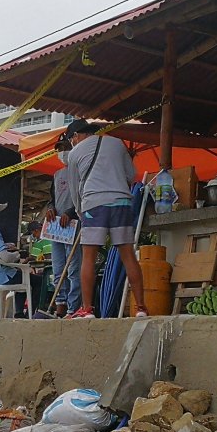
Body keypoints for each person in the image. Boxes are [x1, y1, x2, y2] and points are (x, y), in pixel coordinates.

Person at [63, 119, 147, 319]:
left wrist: (80, 211)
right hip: (121, 202)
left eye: (71, 140)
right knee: (128, 255)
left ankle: (87, 309)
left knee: (89, 258)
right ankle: (141, 308)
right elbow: (131, 175)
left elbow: (74, 189)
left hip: (93, 204)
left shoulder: (74, 153)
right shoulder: (117, 143)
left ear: (76, 136)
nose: (72, 144)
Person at [45, 136, 83, 317]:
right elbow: (51, 199)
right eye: (59, 150)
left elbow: (82, 197)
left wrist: (71, 212)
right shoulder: (56, 175)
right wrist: (50, 209)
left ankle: (73, 306)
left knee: (74, 267)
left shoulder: (80, 172)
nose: (62, 153)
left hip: (73, 224)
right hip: (56, 227)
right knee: (58, 267)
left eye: (64, 148)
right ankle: (60, 303)